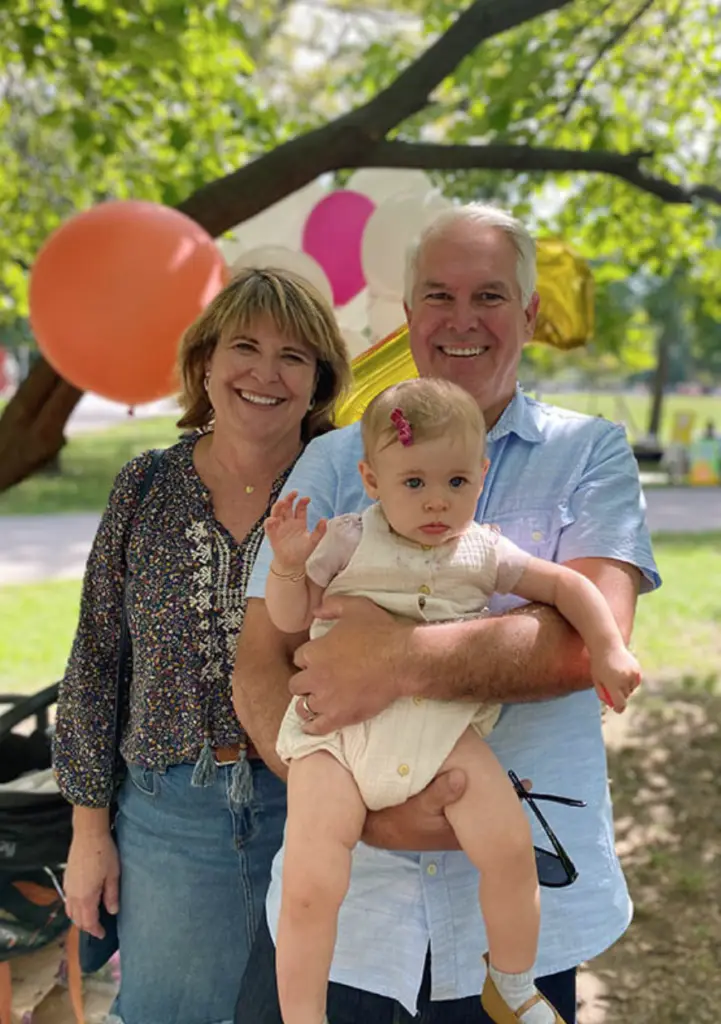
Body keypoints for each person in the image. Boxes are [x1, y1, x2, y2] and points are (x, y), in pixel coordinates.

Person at [233, 204, 660, 1024]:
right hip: (348, 911)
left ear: (530, 313)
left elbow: (583, 642)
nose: (461, 319)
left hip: (514, 895)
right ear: (406, 314)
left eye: (490, 296)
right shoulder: (332, 460)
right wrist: (348, 798)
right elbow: (260, 655)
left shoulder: (590, 452)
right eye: (437, 295)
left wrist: (390, 658)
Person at [263, 376, 642, 1024]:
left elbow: (569, 590)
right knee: (311, 881)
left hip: (437, 732)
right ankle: (303, 1015)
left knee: (509, 848)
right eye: (414, 483)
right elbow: (287, 617)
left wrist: (607, 650)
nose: (436, 501)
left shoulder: (482, 551)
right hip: (337, 740)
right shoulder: (349, 538)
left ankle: (513, 982)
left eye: (456, 483)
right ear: (372, 479)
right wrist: (289, 567)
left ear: (480, 474)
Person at [53, 267, 351, 1024]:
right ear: (206, 364)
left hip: (317, 806)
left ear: (318, 379)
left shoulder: (350, 492)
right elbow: (95, 662)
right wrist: (89, 835)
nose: (263, 372)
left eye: (293, 355)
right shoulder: (144, 487)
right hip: (170, 818)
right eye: (244, 347)